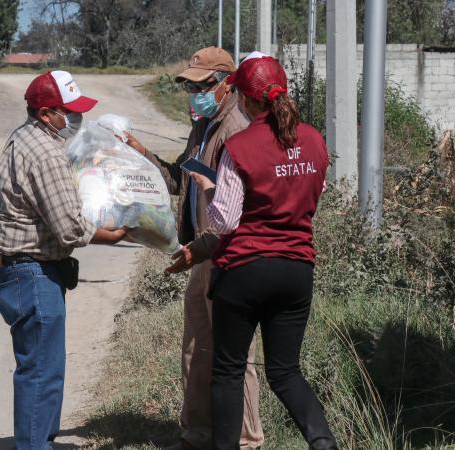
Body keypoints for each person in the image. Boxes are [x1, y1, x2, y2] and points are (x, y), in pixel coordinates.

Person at [189, 56, 338, 450]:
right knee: (285, 371)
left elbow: (223, 221)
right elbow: (313, 195)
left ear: (245, 99)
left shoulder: (239, 147)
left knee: (229, 371)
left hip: (245, 271)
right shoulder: (314, 139)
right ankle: (323, 442)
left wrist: (208, 187)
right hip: (297, 270)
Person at [125, 47, 264, 450]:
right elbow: (180, 178)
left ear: (225, 84)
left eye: (202, 85)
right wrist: (140, 154)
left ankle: (246, 439)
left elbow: (237, 202)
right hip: (201, 252)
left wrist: (206, 246)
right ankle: (198, 434)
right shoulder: (203, 127)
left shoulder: (236, 128)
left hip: (226, 253)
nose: (194, 91)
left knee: (235, 355)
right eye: (189, 84)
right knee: (197, 348)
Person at [0, 70, 127, 450]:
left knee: (41, 367)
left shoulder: (24, 137)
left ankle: (38, 442)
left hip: (16, 270)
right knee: (41, 373)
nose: (76, 119)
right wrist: (113, 235)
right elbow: (69, 228)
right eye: (70, 112)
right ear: (47, 113)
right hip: (31, 272)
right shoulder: (46, 152)